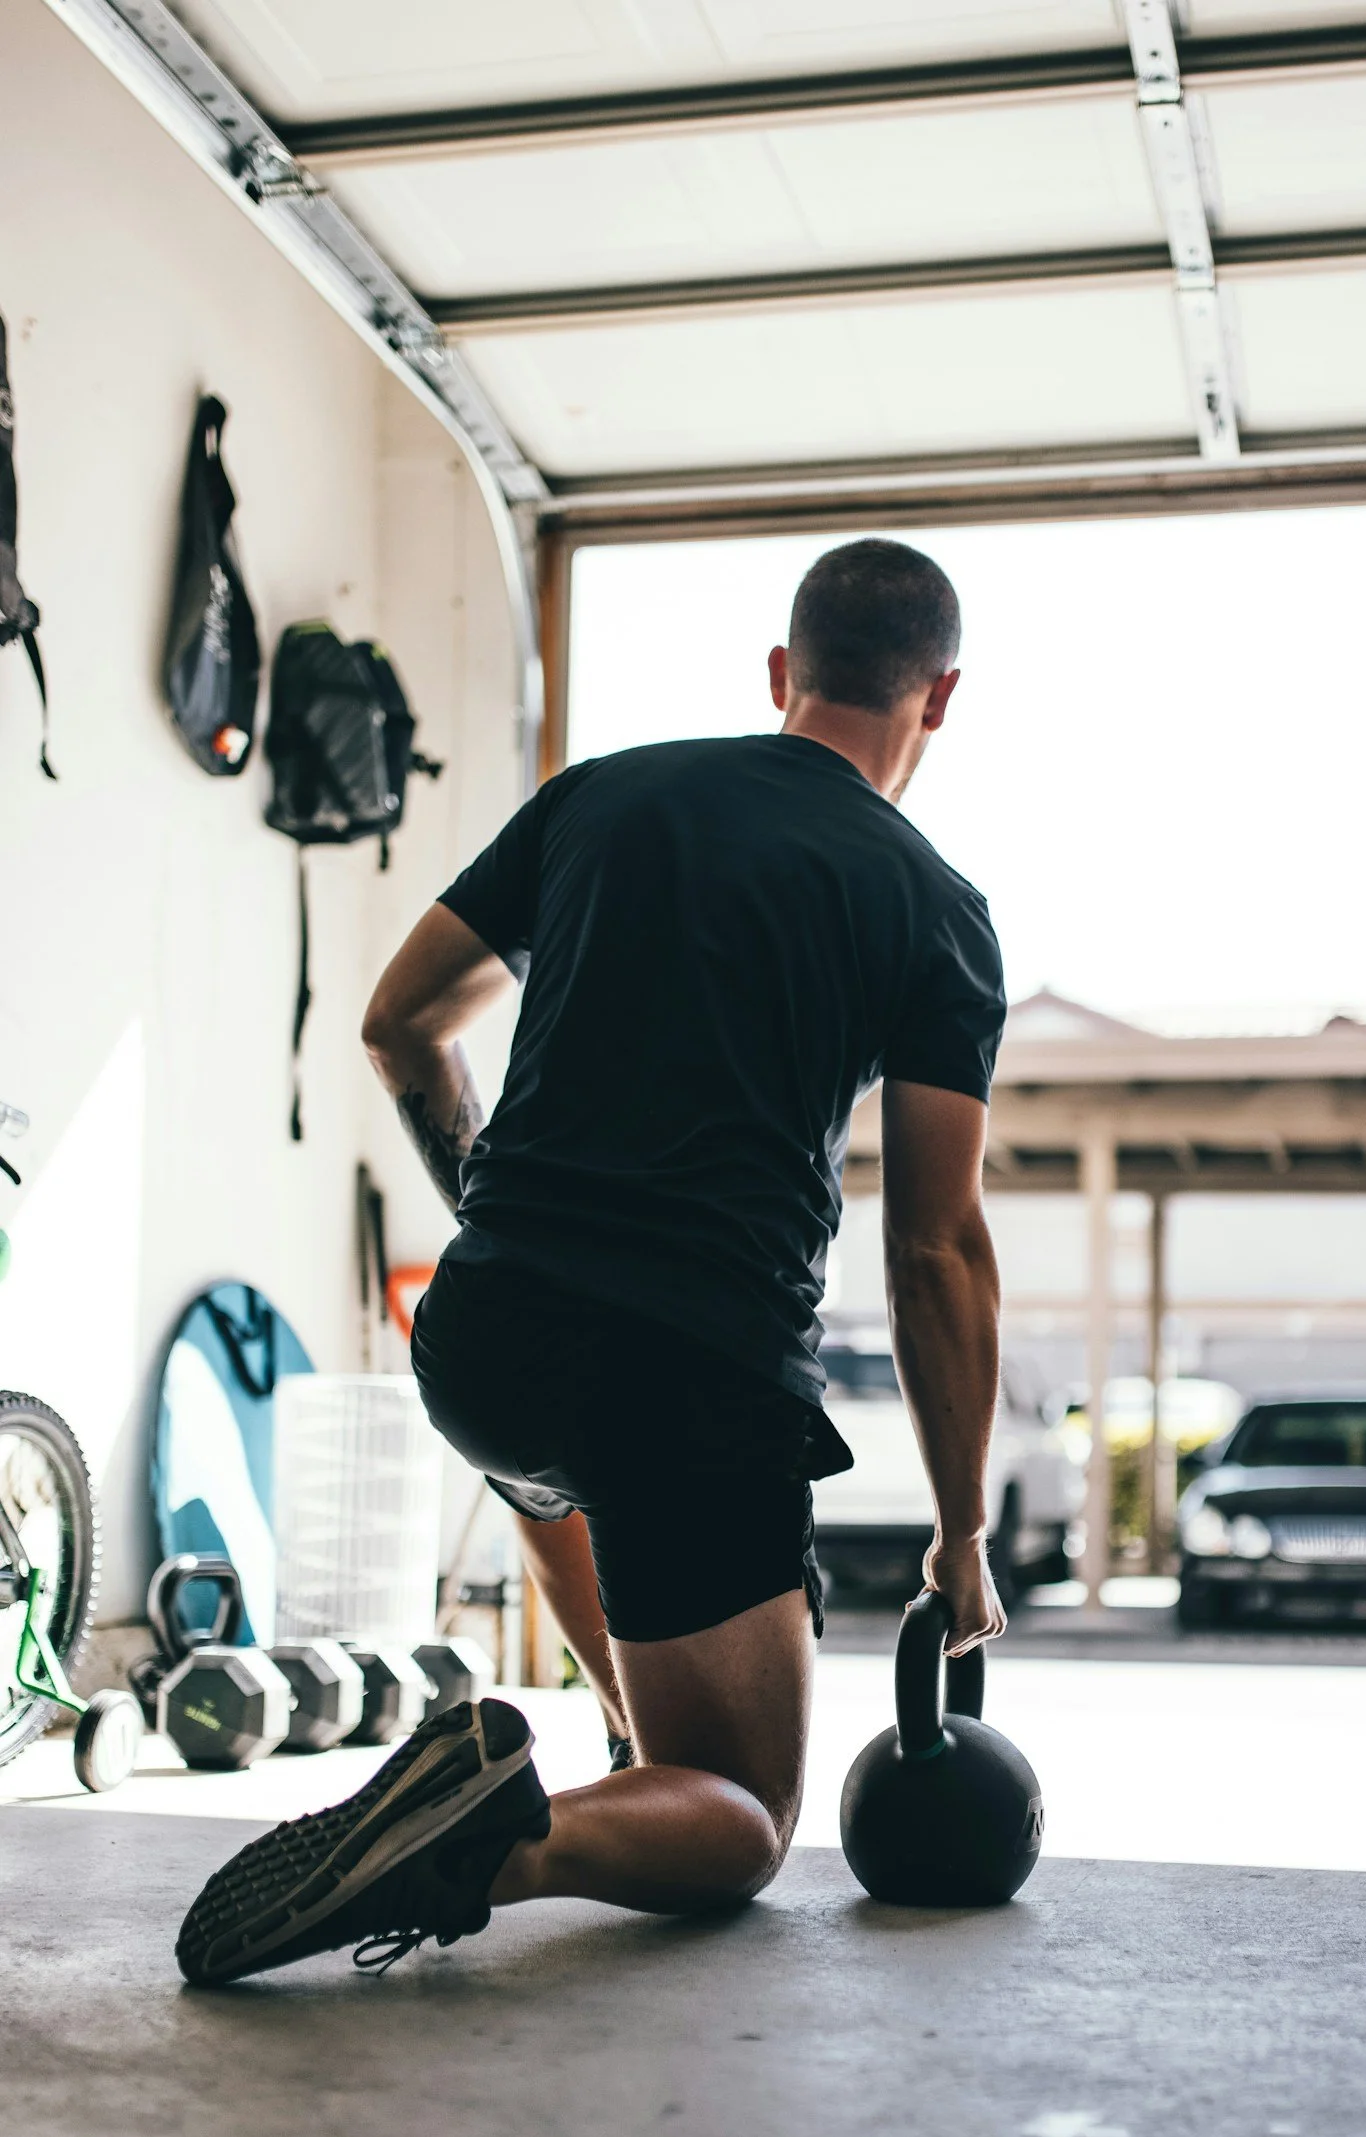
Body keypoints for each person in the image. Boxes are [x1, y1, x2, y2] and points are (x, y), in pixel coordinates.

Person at [175, 539, 1007, 1988]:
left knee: (561, 1461)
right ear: (938, 699)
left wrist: (490, 1199)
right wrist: (961, 1533)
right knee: (746, 1823)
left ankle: (630, 1752)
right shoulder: (930, 908)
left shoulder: (601, 797)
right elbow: (934, 1248)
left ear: (778, 674)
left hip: (487, 1337)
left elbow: (397, 1024)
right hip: (689, 1376)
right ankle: (510, 1840)